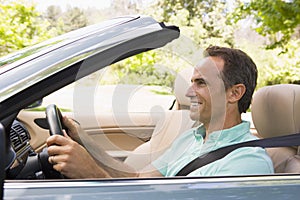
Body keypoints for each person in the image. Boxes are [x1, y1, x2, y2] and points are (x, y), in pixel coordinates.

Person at [46, 46, 274, 178]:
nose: (188, 91)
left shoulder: (248, 163)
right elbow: (137, 179)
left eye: (201, 83)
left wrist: (92, 173)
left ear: (234, 94)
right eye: (191, 82)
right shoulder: (191, 139)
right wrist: (85, 142)